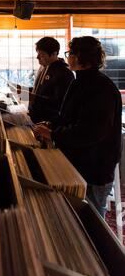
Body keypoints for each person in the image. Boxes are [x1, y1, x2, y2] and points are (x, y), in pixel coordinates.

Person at [33, 36, 122, 217]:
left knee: (91, 220)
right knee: (75, 216)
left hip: (95, 166)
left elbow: (90, 132)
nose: (68, 57)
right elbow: (67, 116)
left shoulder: (101, 88)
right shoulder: (79, 81)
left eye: (71, 53)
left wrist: (54, 135)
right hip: (80, 161)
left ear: (84, 56)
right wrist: (51, 125)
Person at [28, 37, 74, 123]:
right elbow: (41, 90)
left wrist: (33, 97)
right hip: (34, 117)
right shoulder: (43, 67)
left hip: (49, 122)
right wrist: (23, 91)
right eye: (37, 54)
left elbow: (59, 103)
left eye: (41, 54)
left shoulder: (64, 73)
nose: (37, 57)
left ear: (54, 54)